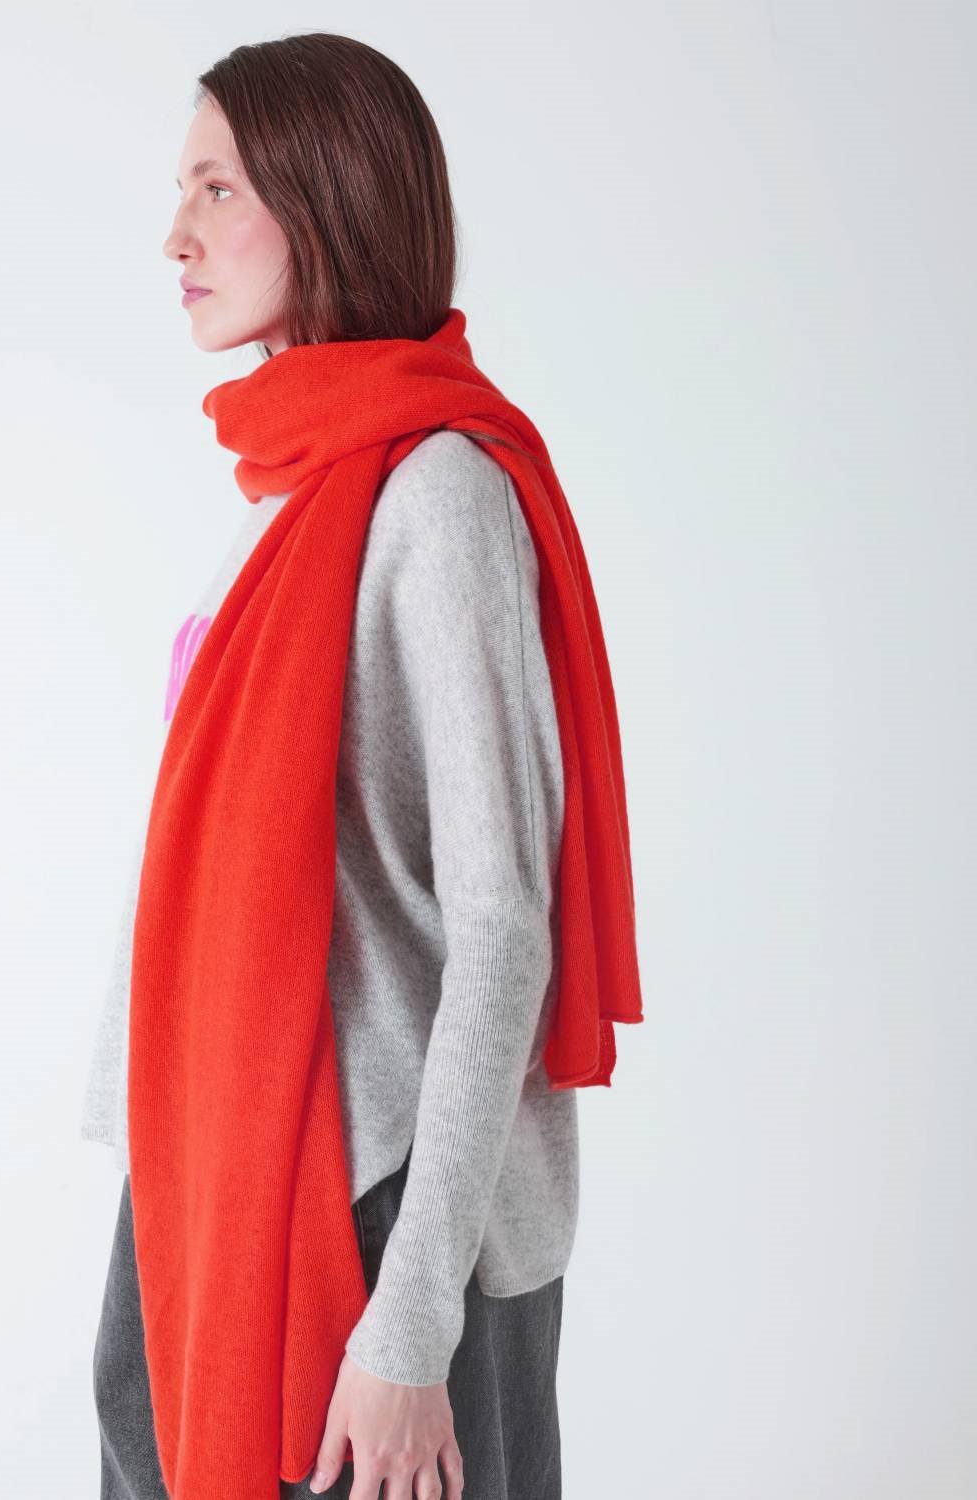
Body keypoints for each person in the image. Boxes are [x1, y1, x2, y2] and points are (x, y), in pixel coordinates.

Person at [82, 30, 643, 1500]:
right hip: (210, 1166)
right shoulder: (285, 494)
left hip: (380, 1208)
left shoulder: (437, 494)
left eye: (217, 188)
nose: (176, 235)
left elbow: (503, 928)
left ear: (326, 201)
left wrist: (411, 1321)